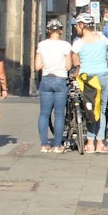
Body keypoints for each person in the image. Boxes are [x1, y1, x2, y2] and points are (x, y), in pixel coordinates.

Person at [34, 19, 77, 154]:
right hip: (60, 80)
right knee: (59, 115)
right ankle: (57, 145)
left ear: (48, 31)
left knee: (44, 113)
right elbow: (68, 66)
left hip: (46, 79)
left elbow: (37, 66)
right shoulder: (65, 45)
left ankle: (44, 144)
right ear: (60, 30)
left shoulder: (41, 45)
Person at [72, 13, 108, 153]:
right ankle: (100, 143)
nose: (76, 28)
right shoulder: (102, 39)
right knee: (101, 109)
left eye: (77, 25)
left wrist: (75, 73)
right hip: (102, 76)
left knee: (89, 109)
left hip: (87, 78)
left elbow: (76, 63)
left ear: (82, 26)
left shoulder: (78, 43)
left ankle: (89, 142)